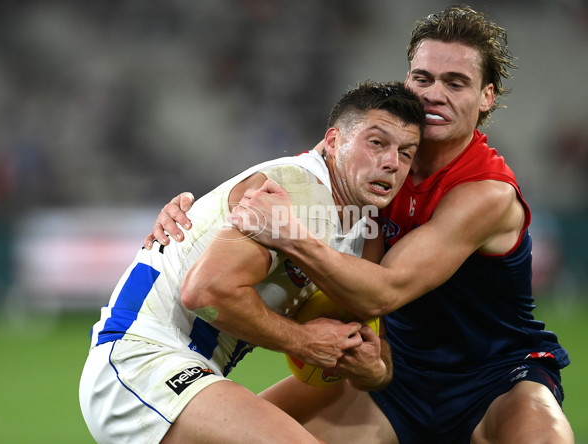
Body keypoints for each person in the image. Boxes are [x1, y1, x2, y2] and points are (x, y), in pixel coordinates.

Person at [146, 5, 574, 443]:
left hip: (496, 377)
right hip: (398, 375)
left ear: (487, 96)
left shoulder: (486, 193)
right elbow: (285, 181)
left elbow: (383, 292)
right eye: (422, 78)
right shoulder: (375, 154)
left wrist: (292, 236)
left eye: (456, 82)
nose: (433, 95)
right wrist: (195, 217)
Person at [79, 81, 425, 444]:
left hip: (193, 372)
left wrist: (375, 370)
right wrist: (303, 341)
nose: (391, 163)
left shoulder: (364, 232)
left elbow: (366, 340)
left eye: (406, 153)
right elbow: (204, 294)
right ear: (335, 142)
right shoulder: (293, 191)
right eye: (376, 143)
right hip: (141, 358)